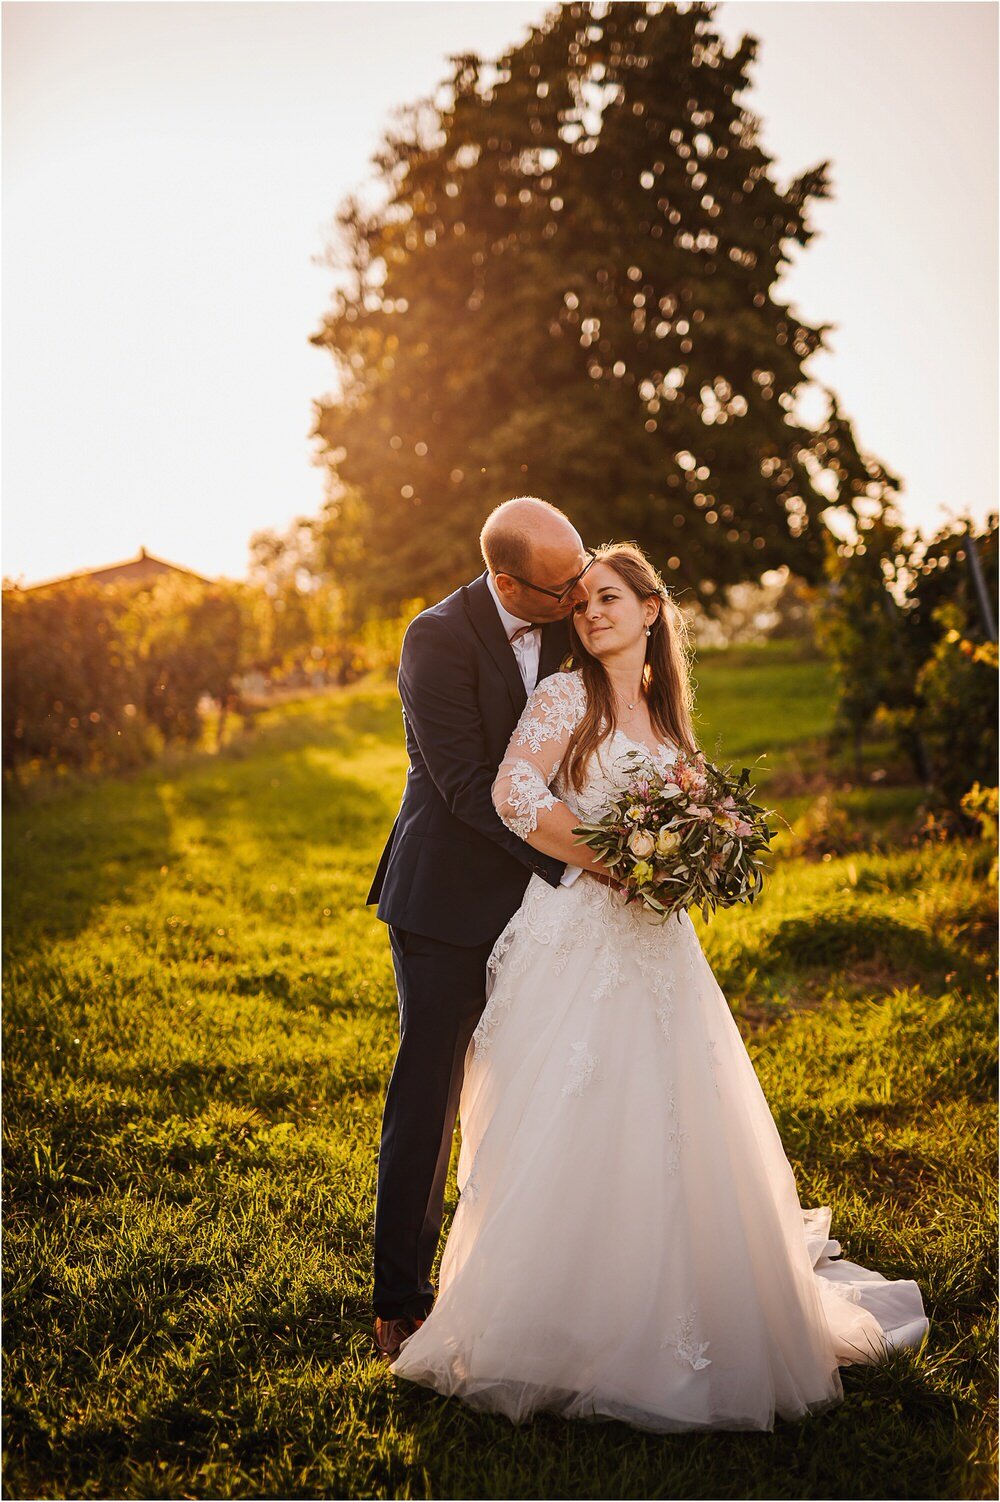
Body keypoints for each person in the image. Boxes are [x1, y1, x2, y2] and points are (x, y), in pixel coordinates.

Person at [389, 542, 930, 1432]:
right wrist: (618, 860)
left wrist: (693, 860)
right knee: (576, 1107)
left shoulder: (670, 721)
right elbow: (512, 788)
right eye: (582, 603)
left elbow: (695, 825)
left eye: (610, 598)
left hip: (659, 948)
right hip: (575, 934)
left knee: (673, 1117)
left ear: (650, 610)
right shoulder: (569, 697)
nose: (592, 612)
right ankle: (557, 1320)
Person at [367, 496, 602, 1361]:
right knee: (430, 1093)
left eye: (584, 574)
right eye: (560, 586)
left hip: (554, 905)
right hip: (448, 900)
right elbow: (468, 787)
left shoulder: (574, 613)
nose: (580, 596)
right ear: (507, 581)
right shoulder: (435, 638)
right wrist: (583, 862)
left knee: (558, 1083)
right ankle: (401, 1297)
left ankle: (554, 1278)